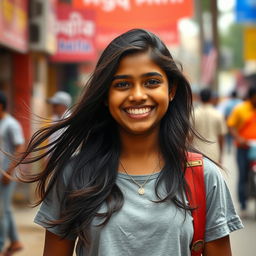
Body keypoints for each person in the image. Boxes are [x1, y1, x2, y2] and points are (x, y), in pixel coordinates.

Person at [17, 29, 242, 256]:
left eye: (151, 82)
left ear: (171, 90)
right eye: (122, 84)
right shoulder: (75, 175)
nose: (137, 95)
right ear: (105, 95)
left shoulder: (203, 177)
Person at [0, 92, 24, 256]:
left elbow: (20, 148)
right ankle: (15, 241)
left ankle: (1, 244)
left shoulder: (11, 124)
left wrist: (9, 171)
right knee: (5, 210)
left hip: (6, 174)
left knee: (2, 211)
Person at [227, 85, 256, 216]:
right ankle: (243, 205)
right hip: (243, 149)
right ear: (250, 98)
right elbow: (231, 126)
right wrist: (239, 138)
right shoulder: (241, 109)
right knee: (243, 175)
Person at [192, 88, 227, 163]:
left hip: (197, 152)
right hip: (213, 151)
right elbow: (221, 137)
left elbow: (188, 137)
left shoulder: (193, 114)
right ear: (211, 98)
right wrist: (221, 155)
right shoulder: (218, 114)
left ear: (199, 98)